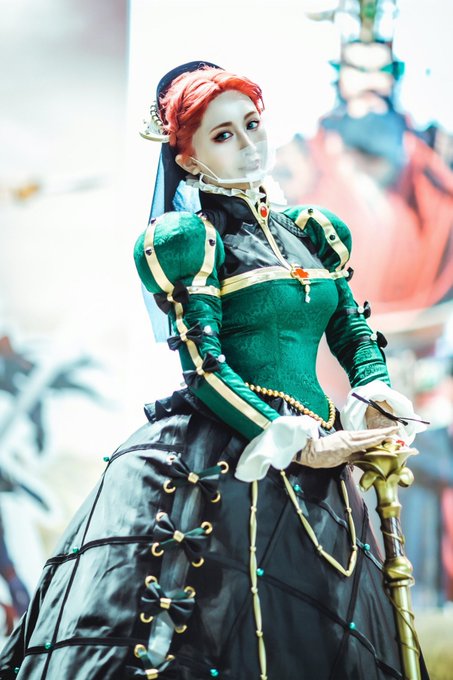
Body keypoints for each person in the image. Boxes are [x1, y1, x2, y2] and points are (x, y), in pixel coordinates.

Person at [0, 61, 429, 680]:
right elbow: (204, 367)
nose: (249, 144)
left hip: (322, 456)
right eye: (223, 134)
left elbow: (350, 327)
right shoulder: (191, 239)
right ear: (190, 157)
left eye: (252, 124)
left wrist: (374, 388)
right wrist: (294, 439)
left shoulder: (313, 232)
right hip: (230, 455)